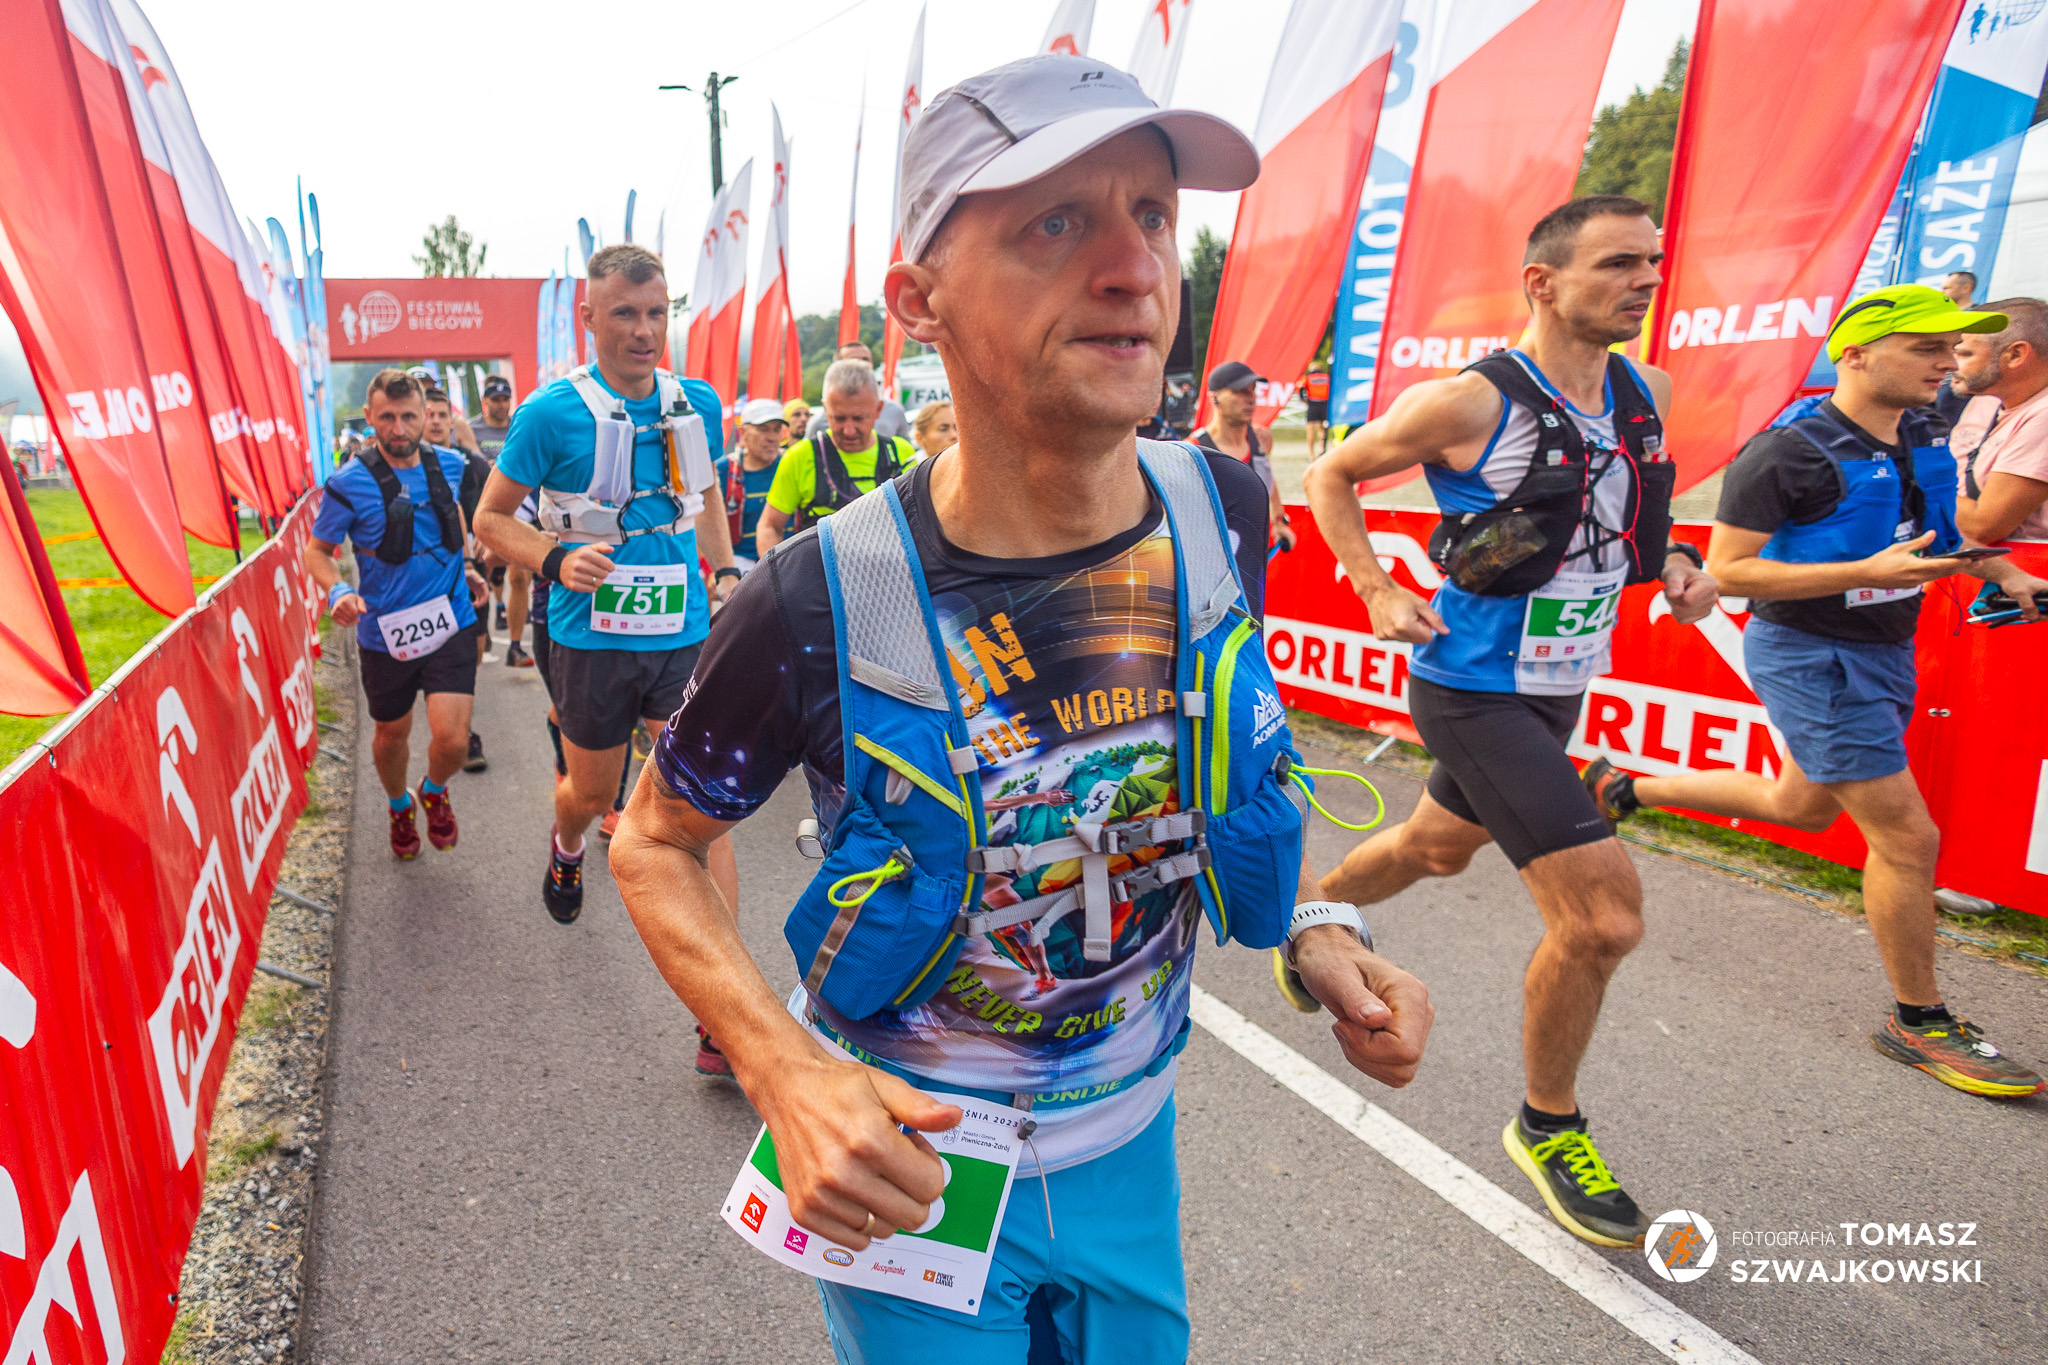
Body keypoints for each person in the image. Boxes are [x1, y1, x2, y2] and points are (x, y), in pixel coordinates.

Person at [610, 54, 1432, 1364]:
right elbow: (653, 840)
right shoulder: (814, 593)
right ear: (917, 301)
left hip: (1131, 1147)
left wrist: (1312, 924)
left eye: (1151, 214)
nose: (1134, 267)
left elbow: (1227, 761)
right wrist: (782, 1068)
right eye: (1056, 222)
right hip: (914, 1168)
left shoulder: (1223, 508)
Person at [1303, 194, 1720, 1250]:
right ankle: (1546, 1124)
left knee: (1435, 848)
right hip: (1470, 688)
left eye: (1650, 262)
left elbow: (1635, 507)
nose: (1643, 280)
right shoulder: (1468, 402)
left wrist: (1677, 560)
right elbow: (1329, 472)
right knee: (1602, 920)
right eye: (1616, 263)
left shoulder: (1649, 390)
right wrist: (1373, 587)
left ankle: (1315, 912)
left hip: (1559, 683)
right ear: (1541, 281)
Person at [1586, 285, 2048, 1100]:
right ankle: (1918, 1018)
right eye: (1926, 347)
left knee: (1801, 805)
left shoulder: (1925, 428)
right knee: (1908, 838)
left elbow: (1941, 533)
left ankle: (1620, 787)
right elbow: (1730, 572)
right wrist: (1867, 571)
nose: (1946, 362)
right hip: (1811, 654)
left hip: (1885, 647)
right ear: (1856, 355)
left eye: (1951, 347)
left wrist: (2005, 574)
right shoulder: (1787, 452)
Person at [474, 242, 742, 955]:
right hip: (591, 638)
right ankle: (566, 843)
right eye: (624, 314)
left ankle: (724, 991)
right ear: (589, 317)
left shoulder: (697, 403)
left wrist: (723, 572)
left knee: (706, 804)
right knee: (592, 795)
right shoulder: (548, 414)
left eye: (656, 313)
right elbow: (490, 520)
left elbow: (705, 496)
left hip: (682, 632)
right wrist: (557, 558)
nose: (644, 331)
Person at [305, 369, 483, 859]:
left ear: (426, 414)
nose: (398, 428)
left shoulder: (451, 465)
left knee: (453, 740)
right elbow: (317, 551)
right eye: (387, 418)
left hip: (451, 619)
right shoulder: (348, 483)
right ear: (369, 417)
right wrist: (338, 589)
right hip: (386, 633)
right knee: (390, 737)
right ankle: (400, 805)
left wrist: (467, 563)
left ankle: (434, 790)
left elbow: (453, 511)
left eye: (408, 416)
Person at [755, 359, 922, 553]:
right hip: (821, 569)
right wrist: (776, 570)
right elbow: (770, 526)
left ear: (878, 410)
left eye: (859, 418)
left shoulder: (901, 454)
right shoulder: (800, 456)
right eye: (839, 418)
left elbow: (921, 523)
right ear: (825, 410)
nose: (849, 430)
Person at [424, 385, 495, 770]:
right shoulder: (403, 466)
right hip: (427, 580)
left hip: (471, 572)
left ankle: (457, 721)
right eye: (428, 415)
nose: (435, 422)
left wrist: (490, 536)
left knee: (472, 657)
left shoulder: (470, 464)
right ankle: (461, 735)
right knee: (441, 657)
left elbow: (496, 504)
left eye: (442, 415)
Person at [1954, 297, 2048, 545]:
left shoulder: (2043, 415)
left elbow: (1982, 527)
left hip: (2024, 564)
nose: (1948, 364)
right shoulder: (1987, 398)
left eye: (1963, 354)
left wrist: (1911, 483)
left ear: (2015, 355)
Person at [1191, 360, 1292, 551]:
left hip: (1254, 551)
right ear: (1215, 398)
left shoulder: (1261, 439)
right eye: (1240, 391)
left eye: (1253, 390)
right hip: (1212, 554)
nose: (1251, 398)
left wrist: (1279, 522)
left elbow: (1267, 479)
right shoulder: (1194, 449)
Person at [803, 342, 910, 441]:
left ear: (878, 409)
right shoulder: (819, 422)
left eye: (866, 360)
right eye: (840, 418)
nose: (862, 364)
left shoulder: (894, 411)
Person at [728, 398, 787, 568]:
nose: (772, 438)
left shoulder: (792, 464)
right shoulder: (727, 470)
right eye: (763, 429)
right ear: (743, 432)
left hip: (788, 563)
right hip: (739, 566)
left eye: (777, 429)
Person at [471, 373, 515, 460]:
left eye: (505, 399)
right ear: (484, 400)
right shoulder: (471, 430)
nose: (502, 405)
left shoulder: (517, 427)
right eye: (496, 400)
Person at [1302, 361, 1331, 459]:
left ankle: (1311, 454)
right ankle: (1323, 450)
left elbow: (1301, 389)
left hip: (1313, 404)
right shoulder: (1326, 377)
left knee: (1310, 428)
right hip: (1324, 404)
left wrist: (1304, 400)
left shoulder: (1308, 378)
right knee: (1322, 428)